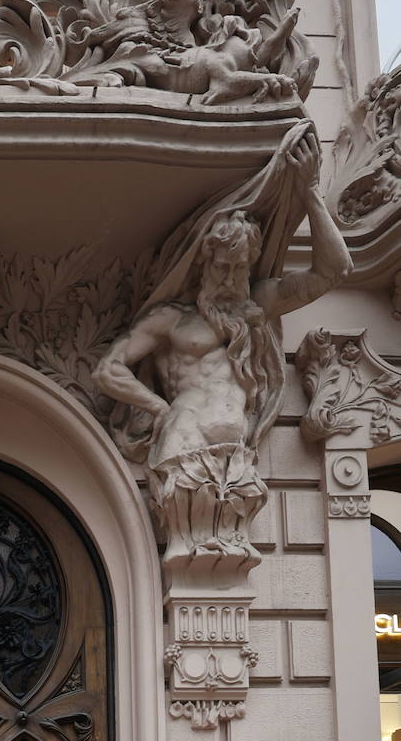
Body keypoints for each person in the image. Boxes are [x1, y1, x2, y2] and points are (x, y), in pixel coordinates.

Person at [93, 124, 351, 574]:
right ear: (203, 262)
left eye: (240, 268)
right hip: (183, 434)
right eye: (222, 267)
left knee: (221, 572)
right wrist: (159, 409)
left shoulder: (258, 302)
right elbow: (108, 371)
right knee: (191, 566)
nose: (231, 277)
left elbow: (332, 270)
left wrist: (310, 192)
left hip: (236, 445)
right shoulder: (170, 319)